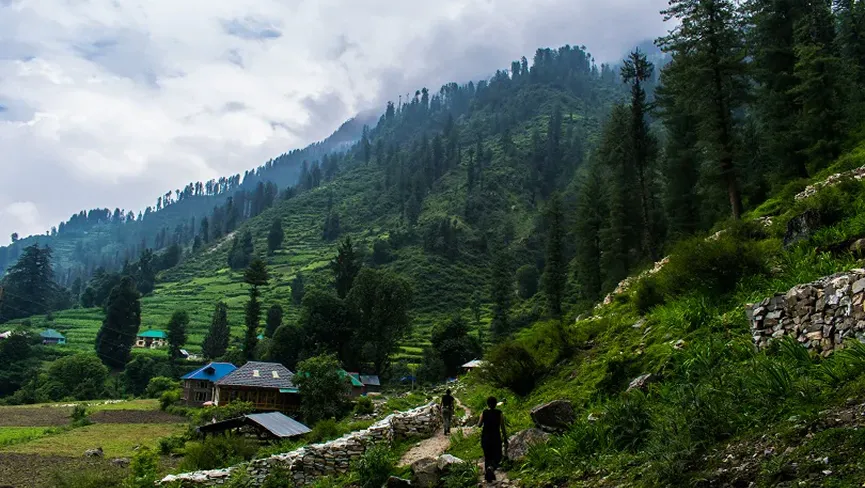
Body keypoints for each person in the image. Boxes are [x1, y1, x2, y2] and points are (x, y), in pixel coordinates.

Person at [478, 396, 508, 482]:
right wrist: (505, 438)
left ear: (487, 404)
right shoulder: (499, 413)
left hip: (486, 437)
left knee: (487, 456)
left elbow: (479, 425)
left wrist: (482, 418)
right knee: (497, 456)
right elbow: (502, 427)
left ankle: (488, 476)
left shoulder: (484, 412)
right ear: (495, 404)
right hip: (496, 437)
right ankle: (491, 469)